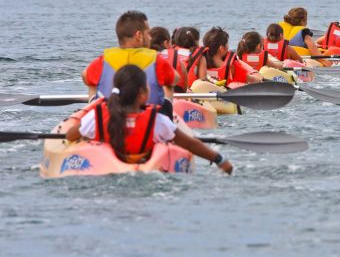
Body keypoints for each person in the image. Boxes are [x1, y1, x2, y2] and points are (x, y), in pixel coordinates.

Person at [67, 65, 232, 174]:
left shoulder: (97, 116)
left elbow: (70, 136)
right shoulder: (157, 122)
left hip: (105, 171)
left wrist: (90, 137)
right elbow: (189, 144)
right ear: (142, 94)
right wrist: (219, 159)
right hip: (148, 173)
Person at [82, 11, 179, 118]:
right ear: (139, 35)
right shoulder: (155, 59)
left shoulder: (104, 59)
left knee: (93, 82)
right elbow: (176, 79)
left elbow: (85, 76)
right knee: (168, 85)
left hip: (109, 121)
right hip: (149, 121)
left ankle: (93, 112)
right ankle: (168, 120)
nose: (150, 38)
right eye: (148, 33)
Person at [149, 27, 188, 93]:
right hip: (175, 99)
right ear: (166, 43)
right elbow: (184, 89)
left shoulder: (145, 59)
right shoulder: (179, 62)